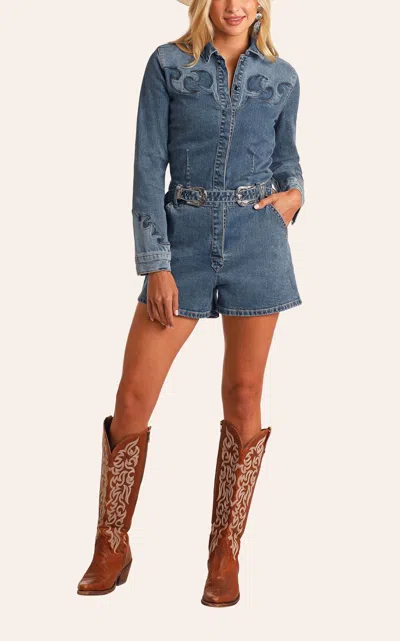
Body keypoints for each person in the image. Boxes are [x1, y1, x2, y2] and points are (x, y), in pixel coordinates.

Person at [77, 0, 305, 607]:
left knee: (244, 394)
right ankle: (111, 543)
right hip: (182, 243)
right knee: (133, 395)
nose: (235, 5)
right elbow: (148, 165)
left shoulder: (282, 76)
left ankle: (225, 554)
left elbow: (286, 155)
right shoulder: (168, 65)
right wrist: (156, 262)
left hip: (257, 244)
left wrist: (295, 193)